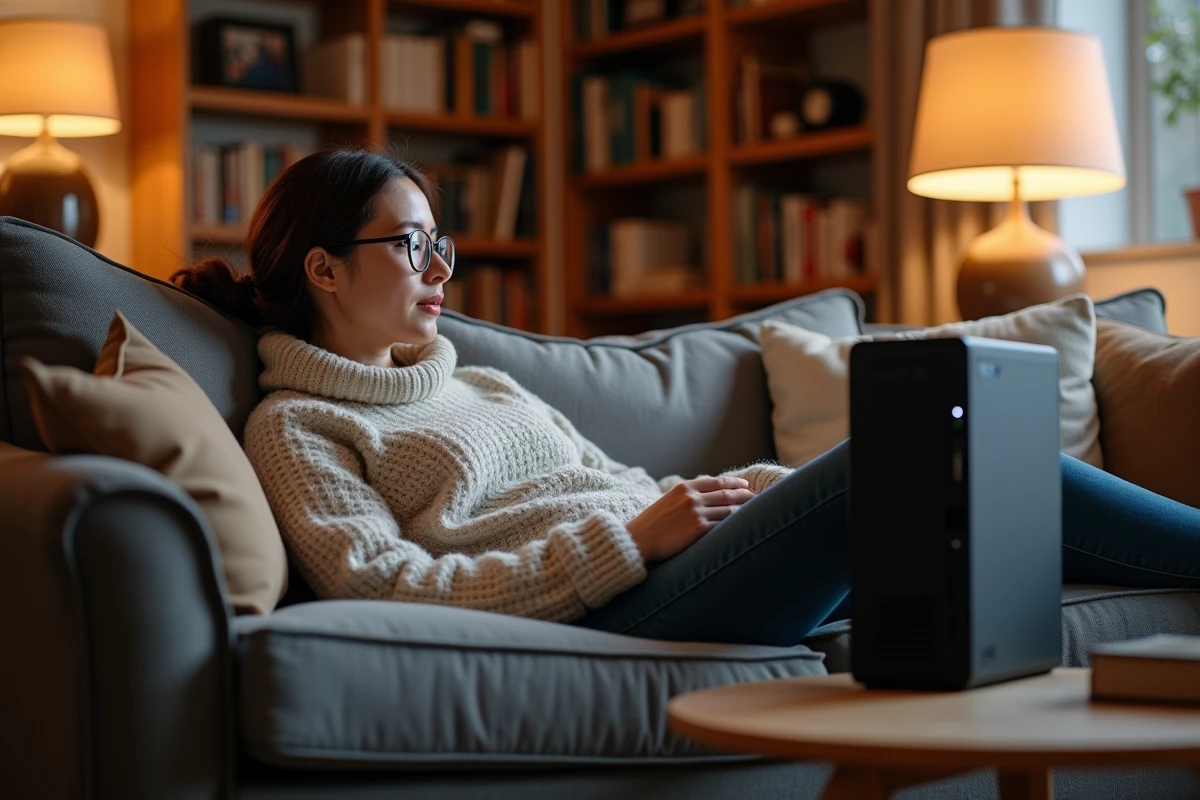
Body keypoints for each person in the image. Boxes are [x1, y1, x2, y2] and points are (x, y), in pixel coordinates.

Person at [172, 149, 1200, 646]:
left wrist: (756, 490)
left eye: (440, 241)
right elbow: (382, 589)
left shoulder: (479, 380)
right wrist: (625, 545)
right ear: (323, 268)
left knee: (983, 472)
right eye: (410, 243)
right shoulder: (298, 424)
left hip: (676, 561)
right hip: (619, 604)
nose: (440, 268)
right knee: (920, 449)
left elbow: (625, 482)